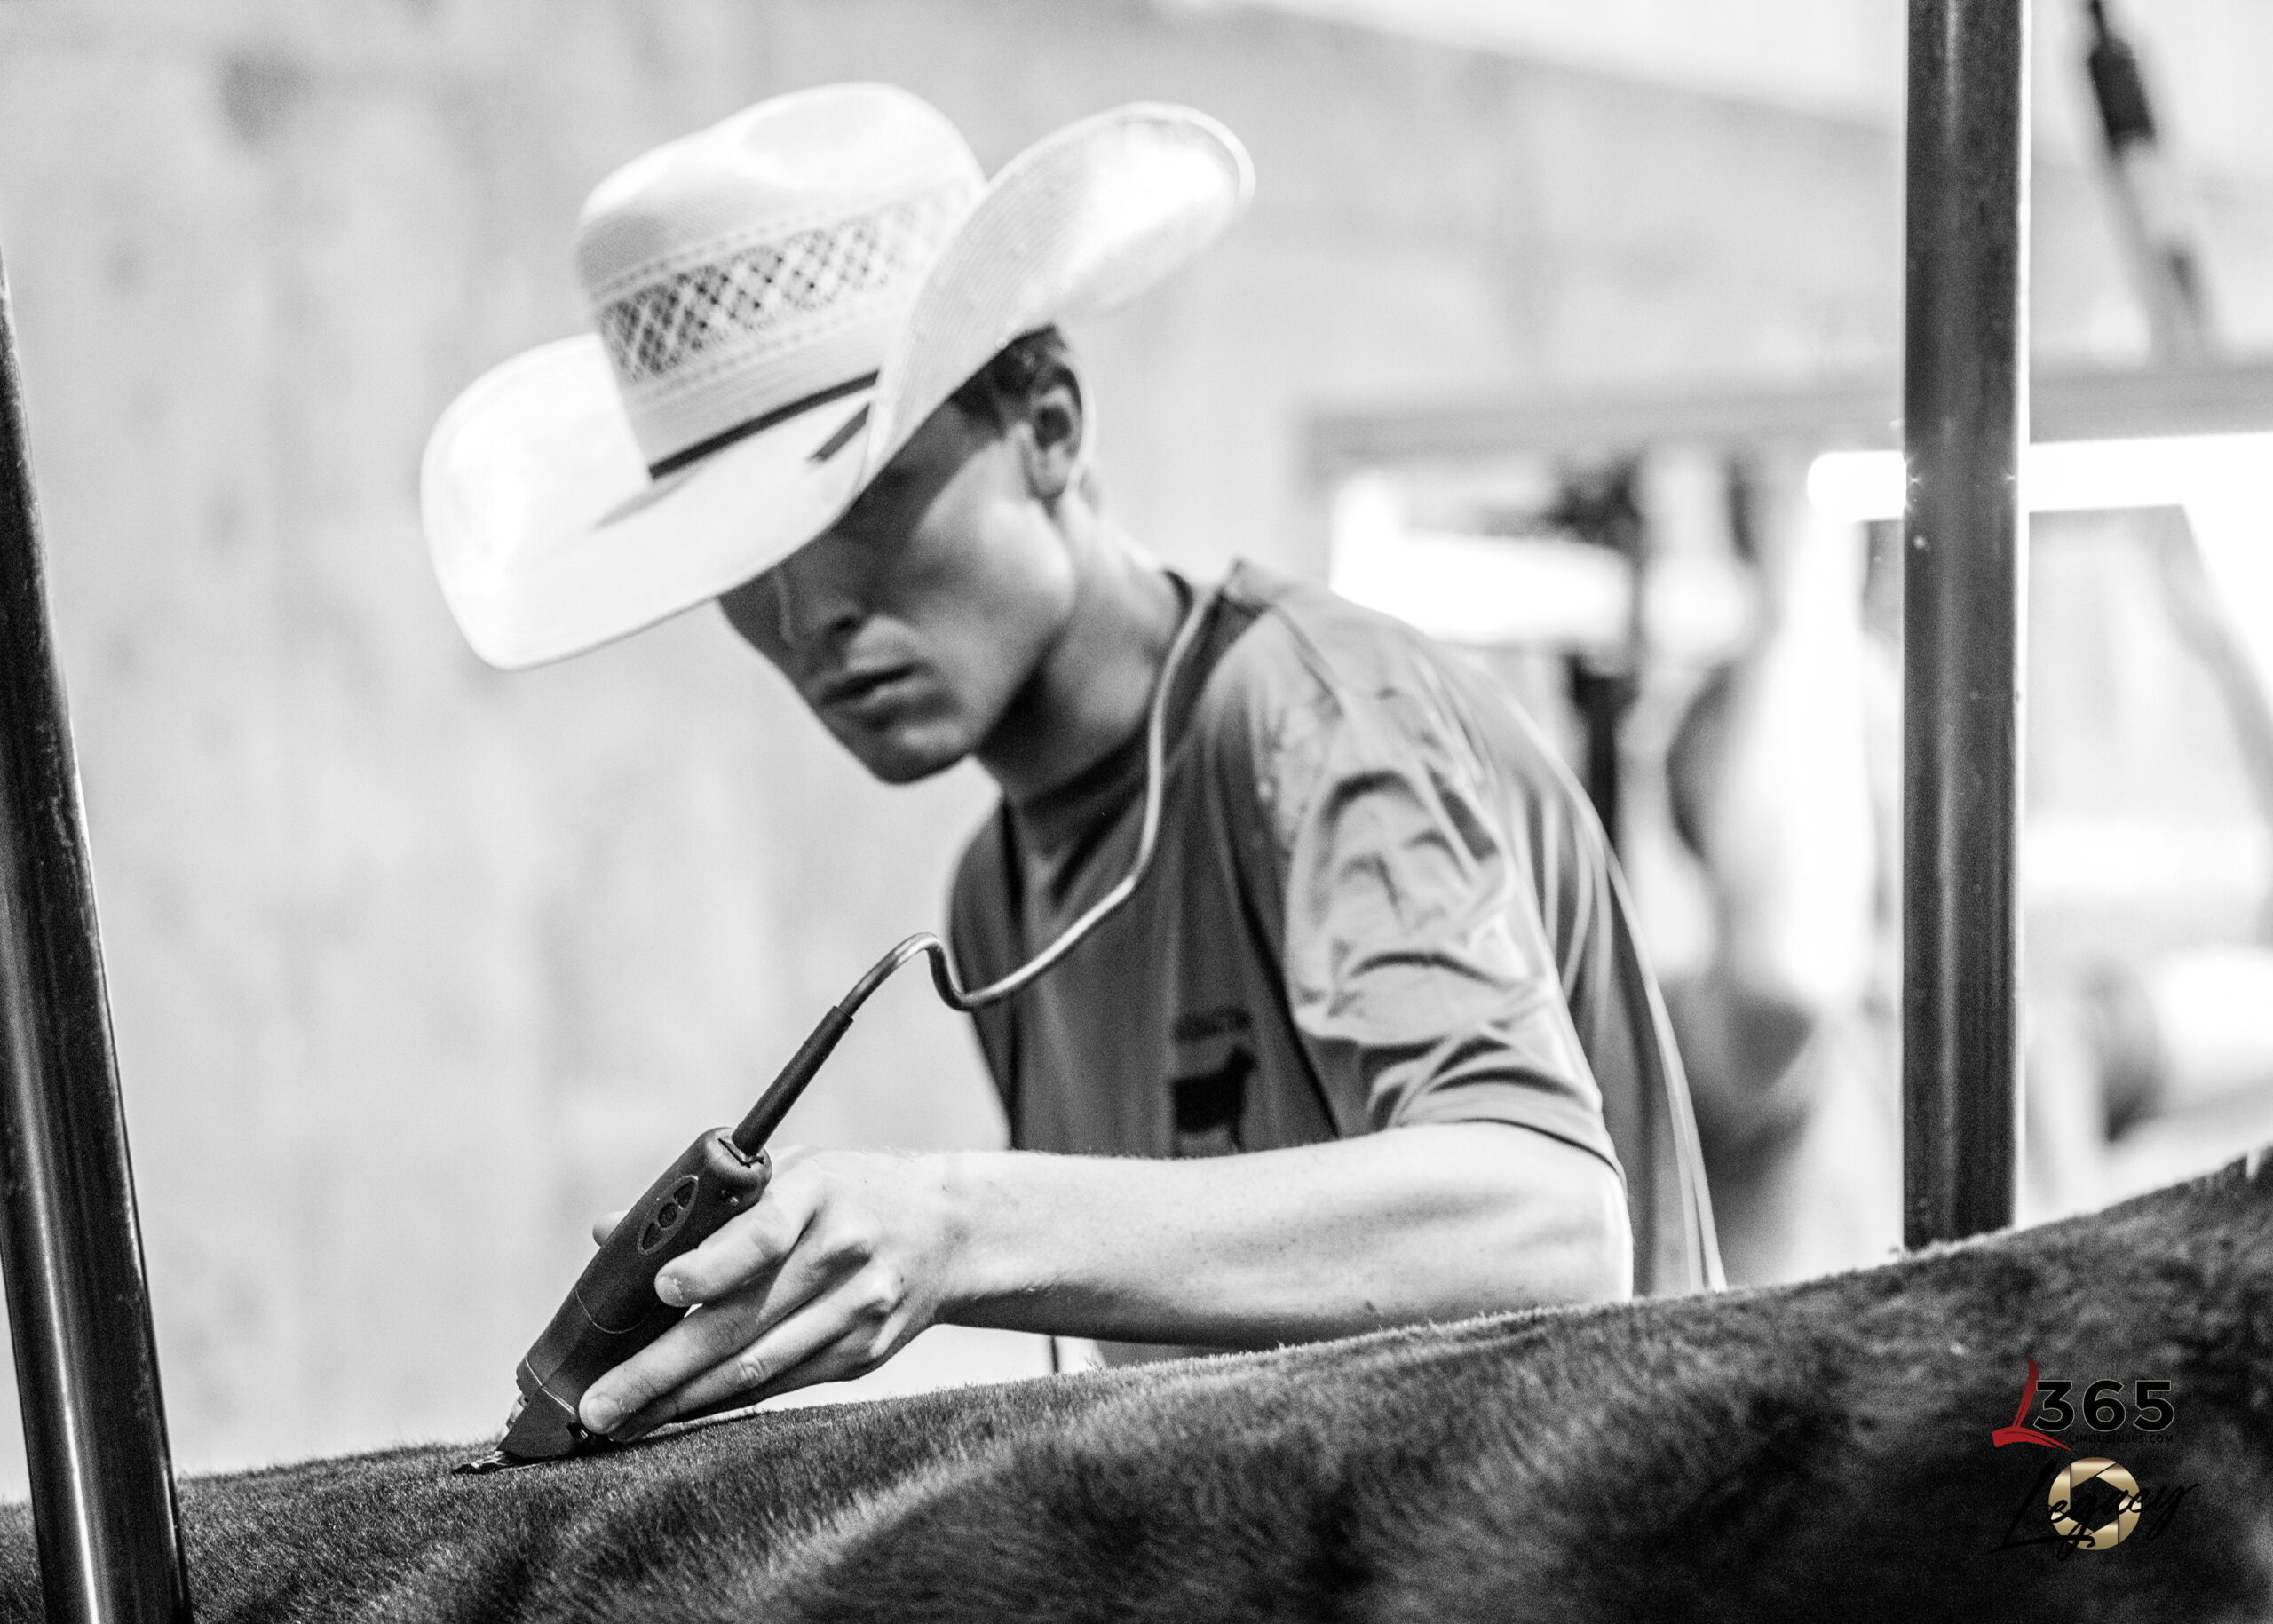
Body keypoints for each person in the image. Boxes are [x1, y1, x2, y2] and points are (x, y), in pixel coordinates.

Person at [421, 83, 1717, 1446]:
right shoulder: (997, 891)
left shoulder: (1313, 717)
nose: (808, 626)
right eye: (741, 568)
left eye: (856, 505)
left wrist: (963, 1224)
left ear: (1048, 424)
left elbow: (1552, 1227)